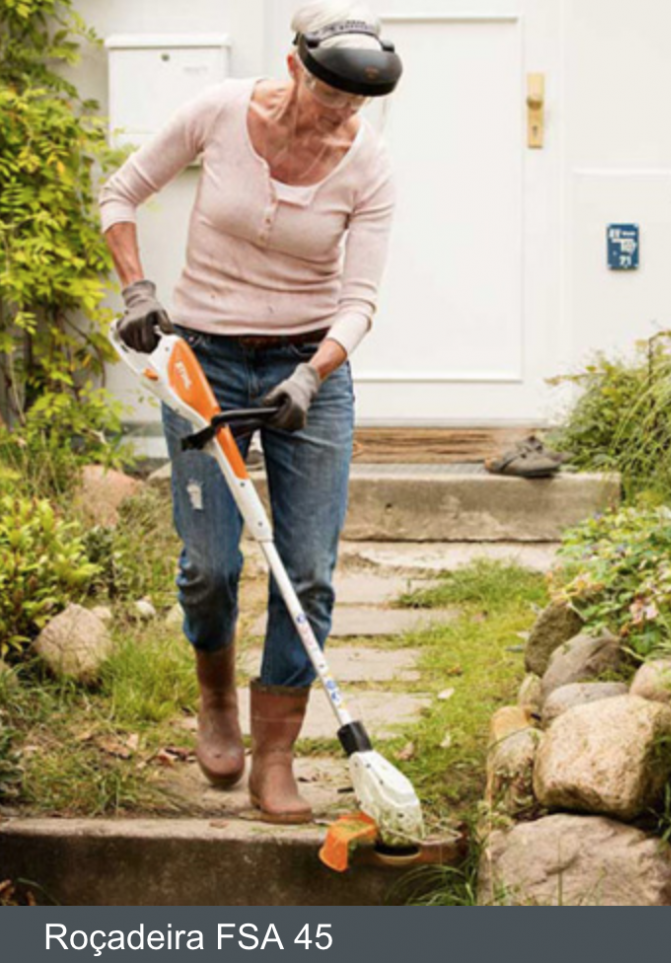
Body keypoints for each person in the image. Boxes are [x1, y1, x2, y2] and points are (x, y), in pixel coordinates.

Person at [99, 1, 402, 824]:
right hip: (205, 361)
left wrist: (313, 374)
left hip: (308, 369)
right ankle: (216, 702)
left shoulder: (367, 164)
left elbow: (360, 300)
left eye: (357, 104)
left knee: (306, 570)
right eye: (332, 95)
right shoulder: (219, 112)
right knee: (208, 564)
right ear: (297, 66)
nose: (342, 115)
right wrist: (137, 290)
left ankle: (276, 755)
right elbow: (120, 193)